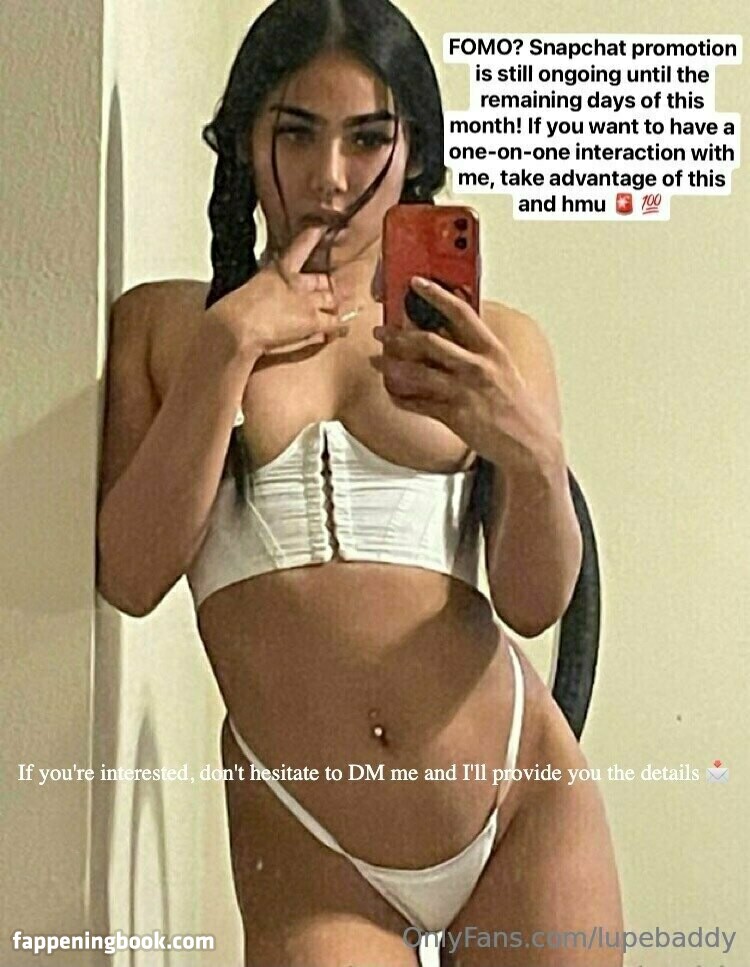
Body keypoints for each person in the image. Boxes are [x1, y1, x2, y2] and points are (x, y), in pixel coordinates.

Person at [96, 0, 624, 963]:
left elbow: (535, 603)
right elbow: (129, 576)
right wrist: (227, 350)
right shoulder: (166, 328)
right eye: (296, 133)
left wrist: (531, 454)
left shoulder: (499, 341)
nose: (330, 178)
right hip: (312, 850)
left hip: (523, 807)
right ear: (244, 138)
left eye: (368, 138)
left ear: (412, 153)